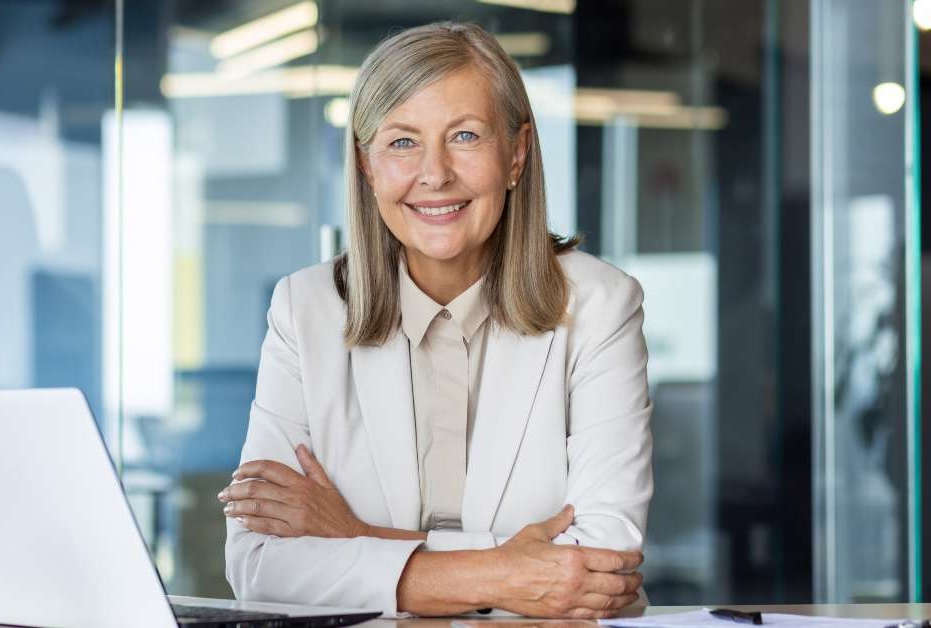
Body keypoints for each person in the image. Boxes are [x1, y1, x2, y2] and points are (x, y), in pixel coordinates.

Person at [221, 21, 652, 619]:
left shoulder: (600, 304)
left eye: (466, 136)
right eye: (401, 142)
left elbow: (599, 564)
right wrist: (505, 573)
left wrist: (351, 537)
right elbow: (259, 568)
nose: (434, 173)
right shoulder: (305, 309)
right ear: (366, 165)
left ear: (516, 155)